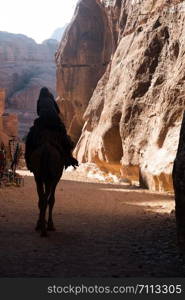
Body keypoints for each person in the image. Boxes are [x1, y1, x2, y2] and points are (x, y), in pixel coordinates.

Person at [25, 87, 78, 171]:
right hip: (54, 121)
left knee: (31, 136)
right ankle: (69, 159)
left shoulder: (39, 100)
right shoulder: (51, 99)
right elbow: (58, 111)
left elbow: (38, 112)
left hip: (42, 121)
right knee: (64, 135)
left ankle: (28, 161)